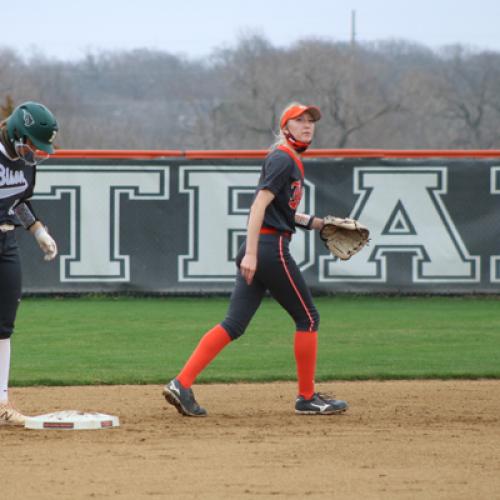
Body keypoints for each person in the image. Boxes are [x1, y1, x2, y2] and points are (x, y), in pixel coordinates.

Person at [163, 102, 348, 417]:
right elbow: (258, 206)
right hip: (269, 248)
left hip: (263, 247)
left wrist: (317, 223)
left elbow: (283, 211)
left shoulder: (286, 159)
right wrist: (251, 253)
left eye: (310, 121)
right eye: (299, 120)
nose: (307, 125)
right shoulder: (282, 158)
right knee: (309, 319)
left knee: (233, 324)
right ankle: (307, 397)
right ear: (285, 127)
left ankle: (182, 383)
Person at [0, 101, 58, 426]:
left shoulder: (26, 164)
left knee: (3, 327)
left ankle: (1, 404)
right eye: (34, 144)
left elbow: (19, 200)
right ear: (18, 134)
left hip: (6, 242)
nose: (36, 152)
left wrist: (38, 231)